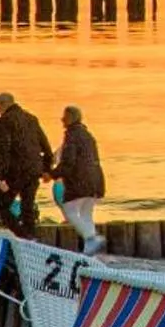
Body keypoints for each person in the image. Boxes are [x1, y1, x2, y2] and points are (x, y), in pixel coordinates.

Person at [0, 91, 53, 238]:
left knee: (1, 205)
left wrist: (1, 177)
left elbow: (4, 151)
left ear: (2, 105)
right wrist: (47, 168)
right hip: (34, 170)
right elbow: (46, 147)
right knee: (27, 206)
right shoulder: (32, 118)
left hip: (17, 171)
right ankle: (30, 239)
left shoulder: (4, 121)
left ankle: (21, 236)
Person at [53, 104, 106, 254]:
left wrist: (52, 174)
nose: (62, 119)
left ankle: (91, 238)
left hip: (81, 181)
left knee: (69, 210)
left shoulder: (72, 136)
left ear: (70, 118)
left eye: (64, 116)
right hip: (96, 179)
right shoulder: (87, 135)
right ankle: (90, 250)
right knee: (86, 213)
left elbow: (68, 162)